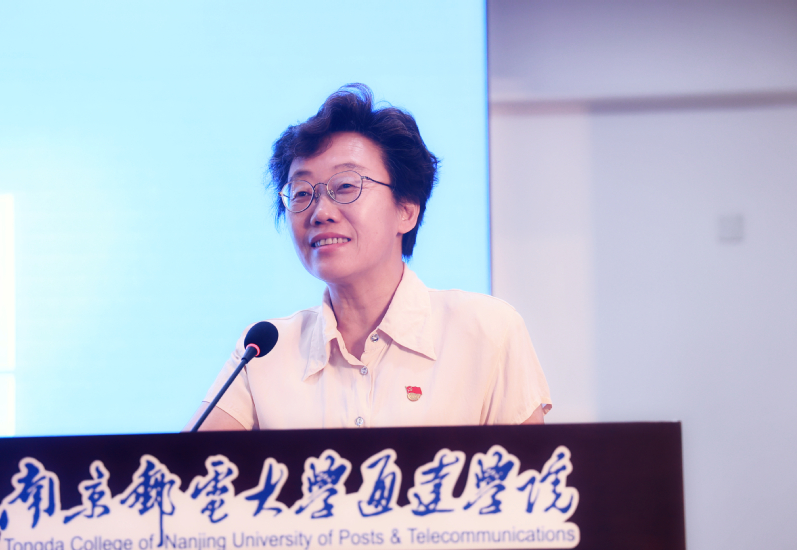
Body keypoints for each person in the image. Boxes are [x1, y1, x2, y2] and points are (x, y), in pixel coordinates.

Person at [186, 84, 550, 432]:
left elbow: (531, 472)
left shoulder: (486, 333)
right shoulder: (264, 350)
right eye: (301, 193)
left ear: (406, 210)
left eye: (346, 186)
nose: (320, 212)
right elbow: (180, 468)